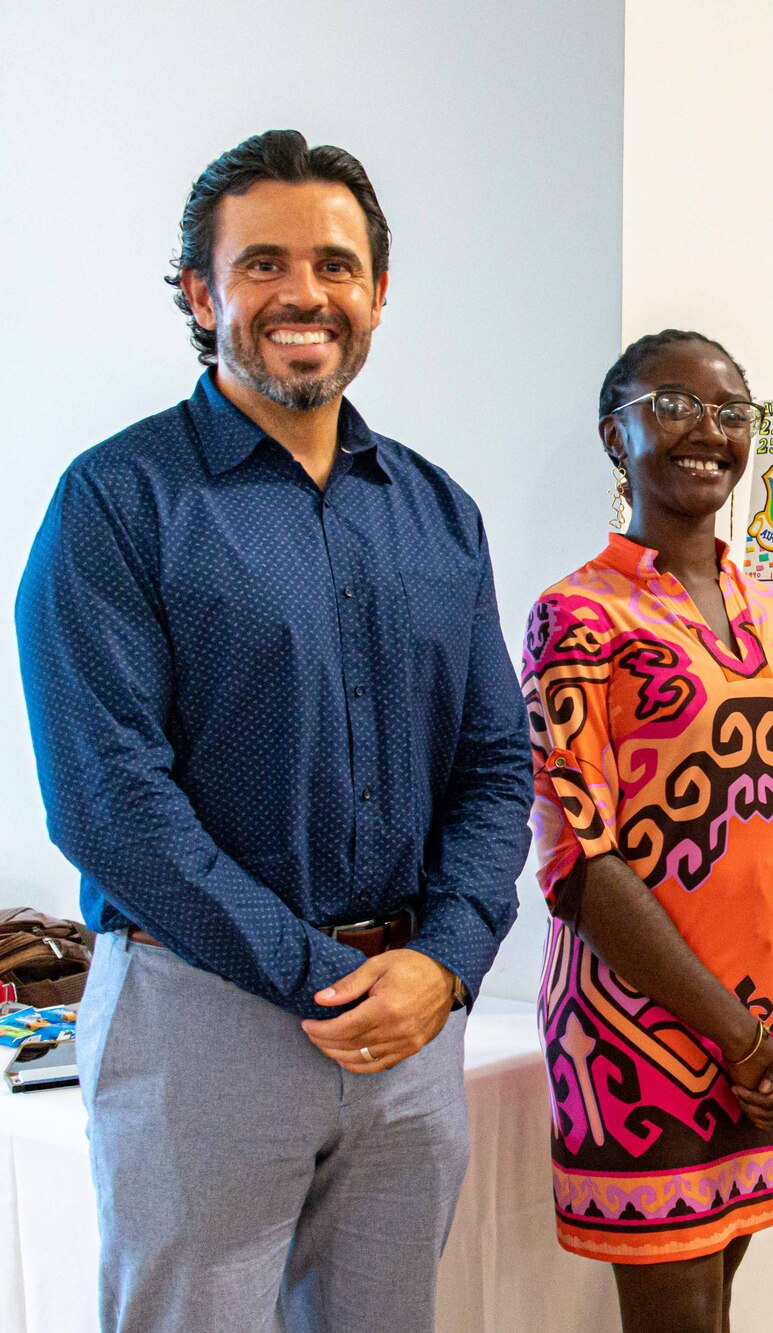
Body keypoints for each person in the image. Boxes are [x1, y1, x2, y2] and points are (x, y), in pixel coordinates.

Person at [16, 130, 531, 1333]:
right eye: (262, 264)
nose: (304, 293)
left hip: (410, 1027)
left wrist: (445, 959)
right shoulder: (118, 501)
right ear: (202, 293)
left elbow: (494, 762)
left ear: (378, 293)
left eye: (336, 265)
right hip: (204, 1022)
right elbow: (109, 801)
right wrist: (330, 975)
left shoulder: (437, 511)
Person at [523, 329, 773, 1333]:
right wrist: (742, 1039)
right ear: (611, 435)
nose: (706, 432)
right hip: (639, 1040)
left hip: (772, 1050)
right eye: (670, 406)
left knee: (714, 1306)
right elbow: (579, 859)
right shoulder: (576, 616)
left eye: (730, 412)